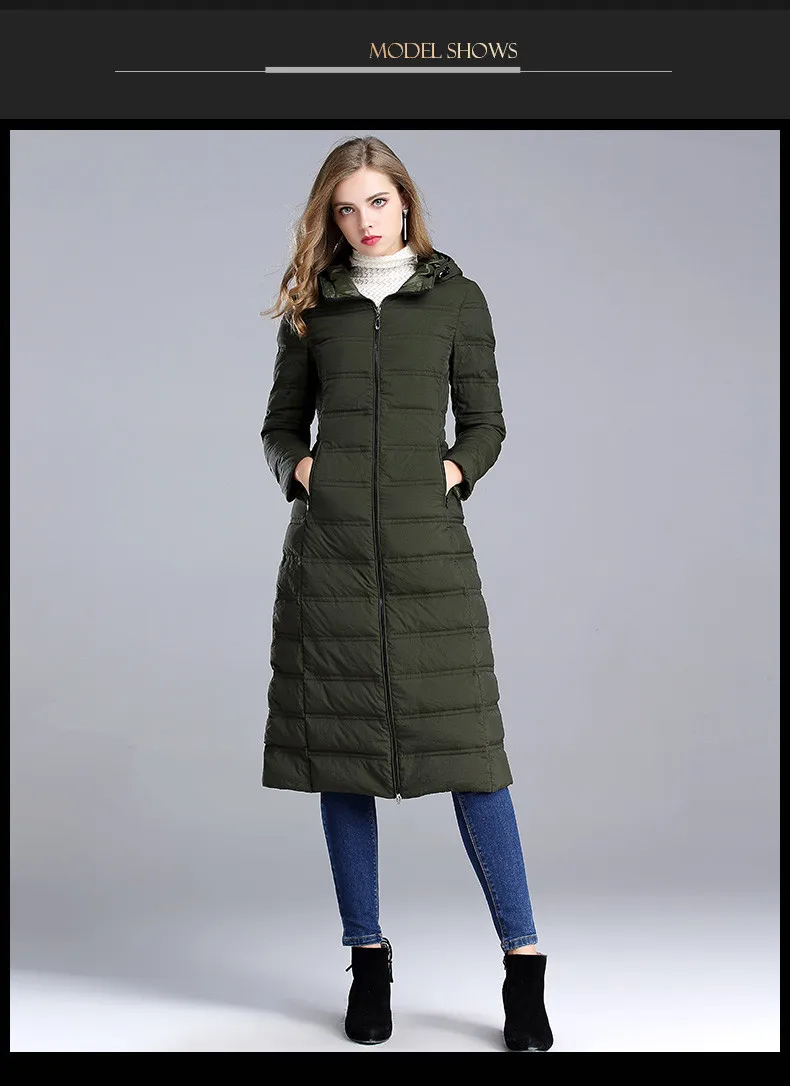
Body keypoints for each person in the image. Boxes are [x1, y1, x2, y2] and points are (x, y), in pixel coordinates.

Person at [259, 135, 553, 1052]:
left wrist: (451, 473)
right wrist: (302, 471)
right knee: (341, 762)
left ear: (405, 203)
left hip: (431, 556)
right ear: (330, 216)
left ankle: (524, 967)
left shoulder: (457, 299)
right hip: (331, 556)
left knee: (473, 759)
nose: (363, 222)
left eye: (377, 203)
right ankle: (369, 960)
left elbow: (488, 422)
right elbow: (278, 425)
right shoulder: (313, 308)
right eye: (345, 208)